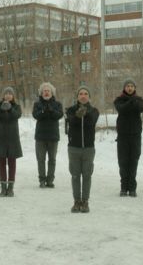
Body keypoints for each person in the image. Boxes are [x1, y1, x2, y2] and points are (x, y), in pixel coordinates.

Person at [66, 85, 99, 213]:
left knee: (87, 175)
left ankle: (85, 201)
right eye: (81, 94)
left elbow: (91, 122)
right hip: (74, 148)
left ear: (89, 97)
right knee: (75, 175)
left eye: (86, 93)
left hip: (88, 149)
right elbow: (72, 122)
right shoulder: (70, 110)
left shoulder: (94, 110)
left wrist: (85, 114)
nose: (83, 96)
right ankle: (76, 201)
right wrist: (77, 115)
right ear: (77, 96)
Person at [113, 79, 143, 197]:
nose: (130, 88)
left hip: (136, 136)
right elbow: (121, 109)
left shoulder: (140, 100)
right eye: (128, 86)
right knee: (123, 161)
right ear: (124, 88)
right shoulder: (119, 100)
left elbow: (141, 108)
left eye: (132, 86)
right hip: (122, 136)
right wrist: (129, 101)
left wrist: (134, 100)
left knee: (134, 161)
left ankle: (132, 187)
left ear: (135, 88)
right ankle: (123, 187)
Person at [0, 87, 22, 197]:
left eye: (10, 93)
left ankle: (11, 188)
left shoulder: (17, 107)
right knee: (1, 164)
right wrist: (2, 109)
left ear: (13, 96)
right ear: (3, 95)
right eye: (6, 93)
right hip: (0, 138)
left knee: (12, 164)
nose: (8, 95)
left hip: (13, 139)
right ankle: (3, 188)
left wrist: (10, 109)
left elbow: (17, 115)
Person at [32, 82, 64, 188]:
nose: (46, 92)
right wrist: (43, 112)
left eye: (48, 91)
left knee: (52, 159)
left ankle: (50, 180)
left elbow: (59, 115)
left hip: (53, 137)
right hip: (40, 137)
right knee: (41, 159)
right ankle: (42, 179)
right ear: (41, 93)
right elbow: (35, 115)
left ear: (52, 93)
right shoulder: (37, 104)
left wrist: (51, 111)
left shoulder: (57, 104)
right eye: (44, 91)